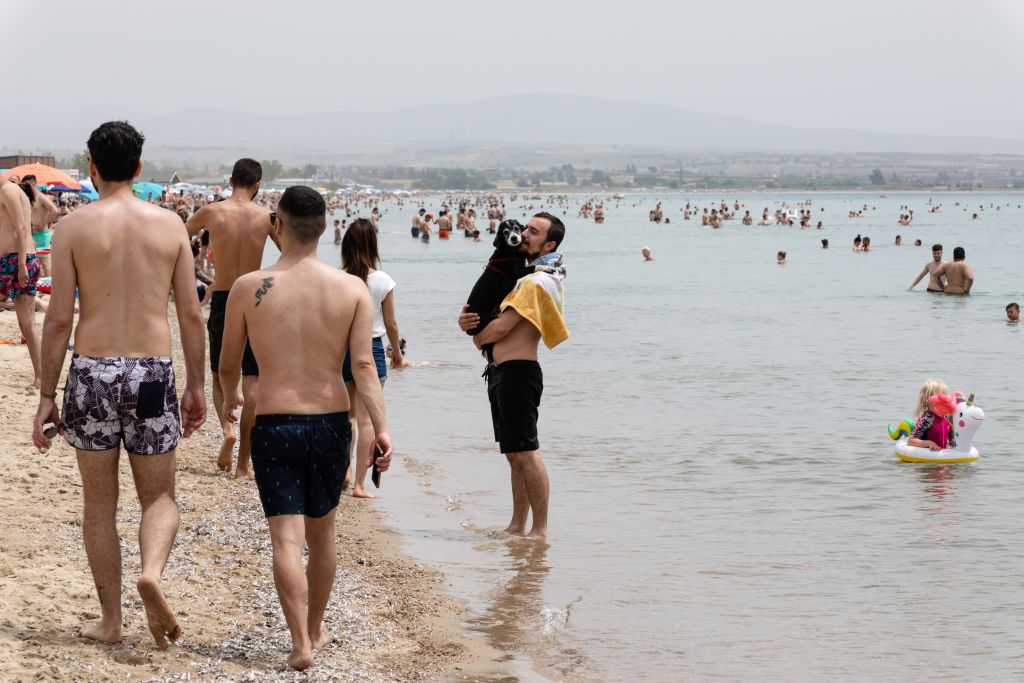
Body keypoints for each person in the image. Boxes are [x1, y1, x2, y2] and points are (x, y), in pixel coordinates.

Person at [30, 120, 207, 650]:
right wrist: (197, 384)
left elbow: (58, 319)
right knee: (159, 498)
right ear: (137, 167)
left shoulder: (73, 228)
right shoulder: (170, 225)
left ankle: (111, 621)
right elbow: (193, 315)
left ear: (91, 167)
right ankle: (150, 571)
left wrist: (45, 394)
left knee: (98, 503)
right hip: (151, 370)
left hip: (93, 371)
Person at [218, 186, 393, 671]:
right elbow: (363, 366)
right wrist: (381, 428)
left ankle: (299, 643)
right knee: (324, 535)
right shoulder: (352, 289)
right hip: (333, 424)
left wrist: (231, 398)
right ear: (324, 228)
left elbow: (228, 363)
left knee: (285, 541)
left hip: (274, 422)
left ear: (278, 226)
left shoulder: (248, 286)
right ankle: (315, 627)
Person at [458, 212, 567, 539]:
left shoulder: (538, 280)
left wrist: (478, 337)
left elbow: (503, 327)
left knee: (528, 452)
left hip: (519, 373)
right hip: (500, 372)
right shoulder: (521, 276)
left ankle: (541, 529)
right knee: (514, 455)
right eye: (525, 228)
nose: (525, 234)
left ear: (549, 243)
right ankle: (518, 524)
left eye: (533, 232)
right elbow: (485, 310)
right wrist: (467, 323)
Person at [186, 159, 277, 479]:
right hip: (256, 296)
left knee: (218, 372)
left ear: (230, 181)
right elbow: (292, 254)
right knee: (253, 382)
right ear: (258, 185)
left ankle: (227, 427)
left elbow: (180, 237)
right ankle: (242, 466)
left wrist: (184, 276)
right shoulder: (267, 216)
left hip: (225, 295)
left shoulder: (212, 211)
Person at [340, 218, 404, 498]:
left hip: (343, 349)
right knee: (367, 420)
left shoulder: (339, 278)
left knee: (349, 416)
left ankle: (345, 471)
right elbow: (390, 324)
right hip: (373, 348)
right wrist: (398, 354)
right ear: (373, 245)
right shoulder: (383, 281)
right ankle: (359, 486)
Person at [0, 175, 42, 387]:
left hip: (15, 260)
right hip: (17, 259)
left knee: (27, 324)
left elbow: (21, 229)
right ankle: (41, 376)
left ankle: (41, 377)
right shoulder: (15, 190)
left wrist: (22, 264)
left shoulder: (7, 191)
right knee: (27, 324)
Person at [23, 175, 59, 277]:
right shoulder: (27, 198)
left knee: (45, 263)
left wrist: (43, 223)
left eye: (27, 185)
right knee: (32, 262)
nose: (25, 187)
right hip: (30, 235)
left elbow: (55, 211)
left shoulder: (41, 197)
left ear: (34, 184)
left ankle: (49, 287)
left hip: (41, 234)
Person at [906, 378, 955, 451]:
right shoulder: (927, 419)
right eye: (940, 397)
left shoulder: (946, 418)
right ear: (928, 399)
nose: (943, 401)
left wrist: (954, 442)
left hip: (942, 458)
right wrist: (929, 443)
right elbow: (911, 441)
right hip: (927, 457)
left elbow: (951, 438)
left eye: (945, 397)